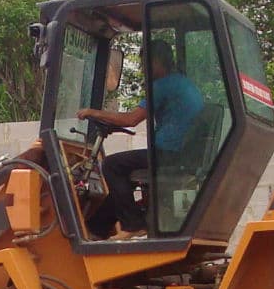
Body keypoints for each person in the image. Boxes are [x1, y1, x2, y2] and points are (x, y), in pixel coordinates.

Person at [78, 41, 205, 237]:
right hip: (181, 153)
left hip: (168, 154)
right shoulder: (182, 83)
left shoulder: (162, 86)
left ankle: (132, 225)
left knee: (111, 165)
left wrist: (93, 112)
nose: (143, 69)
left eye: (145, 63)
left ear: (157, 61)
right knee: (124, 179)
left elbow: (131, 119)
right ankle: (97, 227)